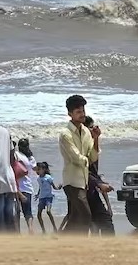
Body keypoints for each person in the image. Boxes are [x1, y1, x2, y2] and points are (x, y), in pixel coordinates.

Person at [58, 94, 99, 234]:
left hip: (84, 182)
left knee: (76, 217)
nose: (82, 114)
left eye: (83, 111)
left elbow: (93, 156)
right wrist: (86, 160)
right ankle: (76, 244)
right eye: (78, 112)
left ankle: (62, 242)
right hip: (72, 181)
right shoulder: (65, 134)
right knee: (85, 216)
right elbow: (76, 158)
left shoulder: (87, 131)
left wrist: (96, 138)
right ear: (70, 114)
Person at [84, 116, 114, 236]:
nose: (94, 129)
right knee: (99, 224)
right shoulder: (82, 146)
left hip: (92, 188)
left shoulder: (90, 144)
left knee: (96, 225)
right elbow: (85, 169)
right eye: (91, 127)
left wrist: (96, 138)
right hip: (85, 188)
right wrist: (98, 183)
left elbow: (94, 157)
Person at [16, 138, 37, 234]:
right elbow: (35, 169)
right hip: (27, 187)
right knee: (28, 212)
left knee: (16, 212)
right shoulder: (31, 158)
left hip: (16, 187)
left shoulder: (16, 155)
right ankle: (31, 229)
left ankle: (17, 231)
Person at [35, 162, 62, 233]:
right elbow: (40, 187)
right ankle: (43, 230)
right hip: (41, 198)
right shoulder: (38, 179)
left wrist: (58, 188)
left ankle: (54, 228)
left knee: (48, 211)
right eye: (37, 169)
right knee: (38, 214)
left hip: (48, 197)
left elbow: (54, 187)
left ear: (43, 169)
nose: (37, 171)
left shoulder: (48, 177)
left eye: (39, 169)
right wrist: (37, 195)